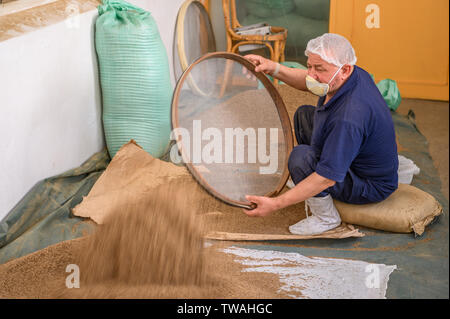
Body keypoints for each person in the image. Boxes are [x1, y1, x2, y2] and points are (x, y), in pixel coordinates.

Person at [243, 33, 399, 235]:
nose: (311, 74)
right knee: (305, 116)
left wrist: (275, 204)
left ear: (344, 70)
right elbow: (308, 82)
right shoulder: (351, 74)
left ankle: (326, 217)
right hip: (364, 158)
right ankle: (312, 178)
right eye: (309, 66)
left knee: (300, 158)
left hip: (369, 185)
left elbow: (326, 178)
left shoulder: (349, 116)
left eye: (319, 69)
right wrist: (272, 67)